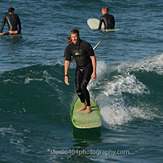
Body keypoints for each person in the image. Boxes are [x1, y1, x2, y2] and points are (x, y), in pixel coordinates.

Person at [64, 29, 96, 114]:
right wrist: (66, 75)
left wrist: (94, 72)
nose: (74, 39)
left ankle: (89, 106)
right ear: (71, 37)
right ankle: (83, 104)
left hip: (88, 68)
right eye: (73, 37)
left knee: (83, 87)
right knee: (78, 89)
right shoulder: (69, 48)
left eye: (75, 37)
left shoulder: (85, 45)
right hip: (79, 68)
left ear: (78, 36)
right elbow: (67, 61)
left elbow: (93, 58)